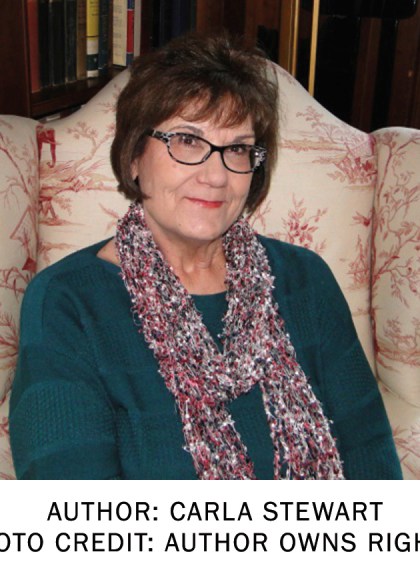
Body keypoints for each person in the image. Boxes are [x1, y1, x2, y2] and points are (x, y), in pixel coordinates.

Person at [9, 33, 402, 480]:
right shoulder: (66, 304)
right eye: (187, 141)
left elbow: (372, 460)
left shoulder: (305, 279)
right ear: (134, 156)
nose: (216, 176)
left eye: (237, 148)